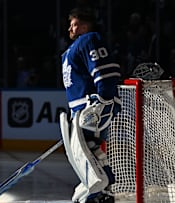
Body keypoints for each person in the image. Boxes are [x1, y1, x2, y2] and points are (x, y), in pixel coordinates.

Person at [59, 7, 123, 203]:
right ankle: (105, 192)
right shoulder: (69, 51)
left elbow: (105, 73)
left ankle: (96, 193)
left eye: (75, 24)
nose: (70, 28)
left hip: (91, 108)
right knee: (93, 151)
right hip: (80, 110)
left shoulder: (88, 40)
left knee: (86, 152)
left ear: (85, 26)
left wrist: (104, 100)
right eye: (70, 25)